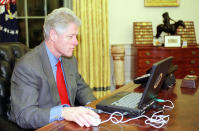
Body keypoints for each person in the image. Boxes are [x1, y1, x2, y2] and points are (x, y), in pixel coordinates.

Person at [8, 7, 100, 129]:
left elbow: (80, 87)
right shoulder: (27, 66)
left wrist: (92, 107)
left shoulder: (70, 60)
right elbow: (25, 115)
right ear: (53, 35)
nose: (76, 42)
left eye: (76, 36)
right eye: (70, 36)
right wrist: (63, 112)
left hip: (70, 125)